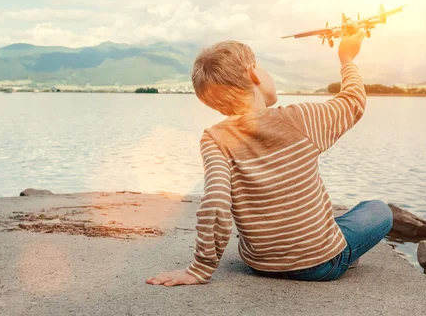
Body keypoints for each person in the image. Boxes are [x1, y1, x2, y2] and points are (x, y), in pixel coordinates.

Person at [146, 29, 393, 286]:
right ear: (253, 72)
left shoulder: (214, 138)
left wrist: (200, 268)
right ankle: (343, 255)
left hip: (261, 263)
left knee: (331, 220)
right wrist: (347, 59)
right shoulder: (300, 118)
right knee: (378, 209)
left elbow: (216, 203)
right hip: (320, 265)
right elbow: (353, 101)